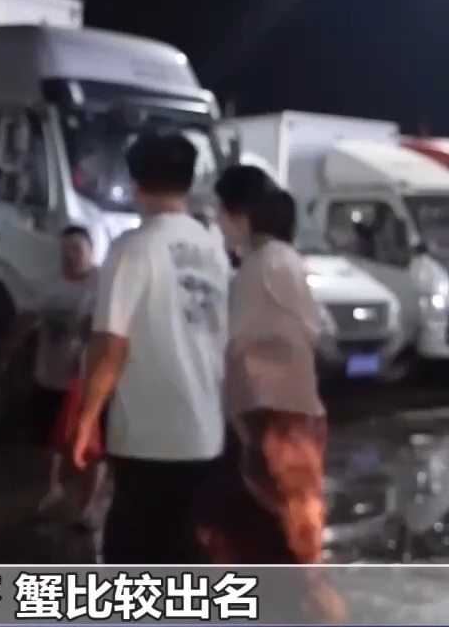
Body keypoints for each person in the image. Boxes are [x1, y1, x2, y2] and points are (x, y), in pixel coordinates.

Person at [69, 133, 230, 564]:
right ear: (188, 183)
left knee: (134, 556)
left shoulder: (133, 248)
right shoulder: (213, 251)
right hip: (206, 432)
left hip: (149, 437)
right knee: (187, 555)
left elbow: (110, 345)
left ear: (135, 183)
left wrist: (85, 420)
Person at [198, 168, 343, 619]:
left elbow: (234, 345)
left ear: (241, 216)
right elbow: (312, 334)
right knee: (279, 536)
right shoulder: (283, 261)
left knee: (280, 539)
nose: (219, 224)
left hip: (269, 418)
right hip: (286, 413)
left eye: (221, 214)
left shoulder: (261, 267)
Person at [30, 226, 105, 528]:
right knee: (50, 441)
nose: (71, 256)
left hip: (89, 382)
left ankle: (88, 506)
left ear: (91, 252)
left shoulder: (104, 284)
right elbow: (29, 317)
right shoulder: (49, 284)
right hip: (50, 376)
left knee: (93, 447)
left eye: (77, 249)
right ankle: (52, 491)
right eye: (66, 250)